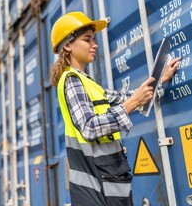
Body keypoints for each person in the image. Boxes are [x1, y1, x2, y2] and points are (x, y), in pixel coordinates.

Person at [49, 12, 180, 206]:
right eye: (87, 40)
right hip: (96, 187)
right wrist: (131, 104)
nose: (95, 45)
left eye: (94, 39)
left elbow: (127, 98)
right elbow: (89, 127)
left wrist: (160, 81)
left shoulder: (87, 83)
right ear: (68, 45)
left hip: (107, 183)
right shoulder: (71, 81)